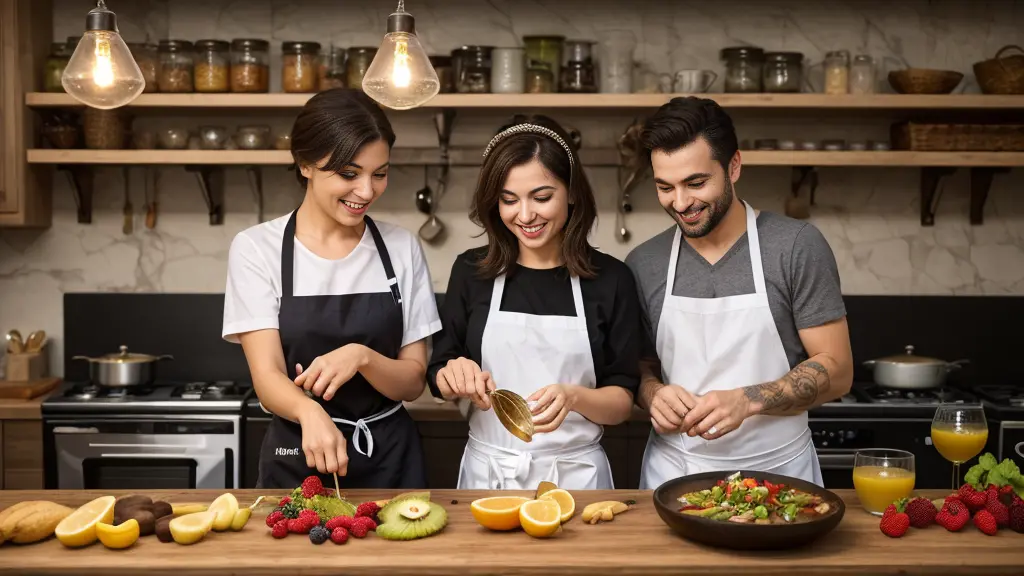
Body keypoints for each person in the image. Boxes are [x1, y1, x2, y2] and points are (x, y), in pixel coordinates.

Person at [626, 97, 853, 490]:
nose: (680, 203)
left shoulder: (795, 246)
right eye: (665, 187)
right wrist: (651, 392)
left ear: (733, 166)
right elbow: (638, 366)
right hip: (674, 477)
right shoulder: (644, 263)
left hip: (780, 478)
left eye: (696, 183)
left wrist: (748, 400)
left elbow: (838, 370)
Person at [221, 88, 441, 489]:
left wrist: (362, 358)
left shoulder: (401, 247)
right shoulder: (257, 248)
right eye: (349, 174)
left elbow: (412, 382)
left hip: (390, 457)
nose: (367, 191)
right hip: (299, 454)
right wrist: (309, 412)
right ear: (306, 163)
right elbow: (268, 376)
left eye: (380, 173)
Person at [427, 115, 642, 490]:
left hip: (577, 479)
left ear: (572, 192)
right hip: (487, 477)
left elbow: (623, 400)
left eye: (542, 197)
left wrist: (575, 397)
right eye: (509, 200)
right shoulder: (470, 271)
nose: (525, 216)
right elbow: (439, 374)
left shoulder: (611, 279)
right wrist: (452, 377)